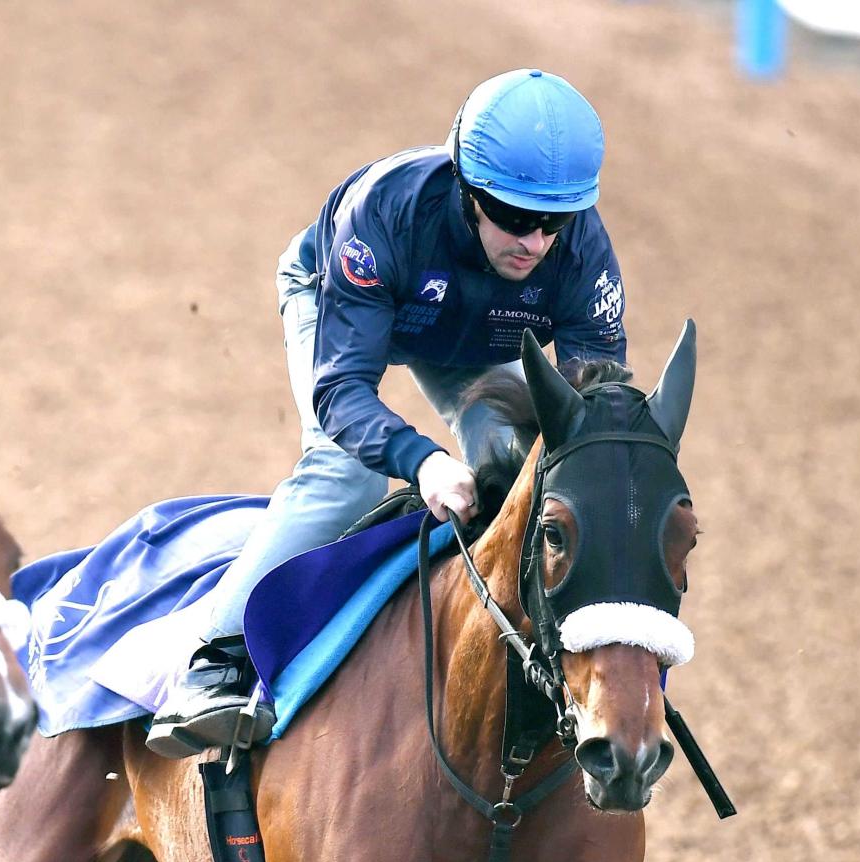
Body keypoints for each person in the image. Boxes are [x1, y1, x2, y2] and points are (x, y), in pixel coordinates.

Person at [146, 68, 628, 758]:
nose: (536, 243)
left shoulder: (584, 254)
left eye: (555, 223)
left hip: (470, 332)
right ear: (468, 191)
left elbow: (591, 415)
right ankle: (217, 659)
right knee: (347, 477)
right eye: (516, 219)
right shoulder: (385, 215)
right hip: (348, 298)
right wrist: (424, 461)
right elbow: (342, 394)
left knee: (523, 468)